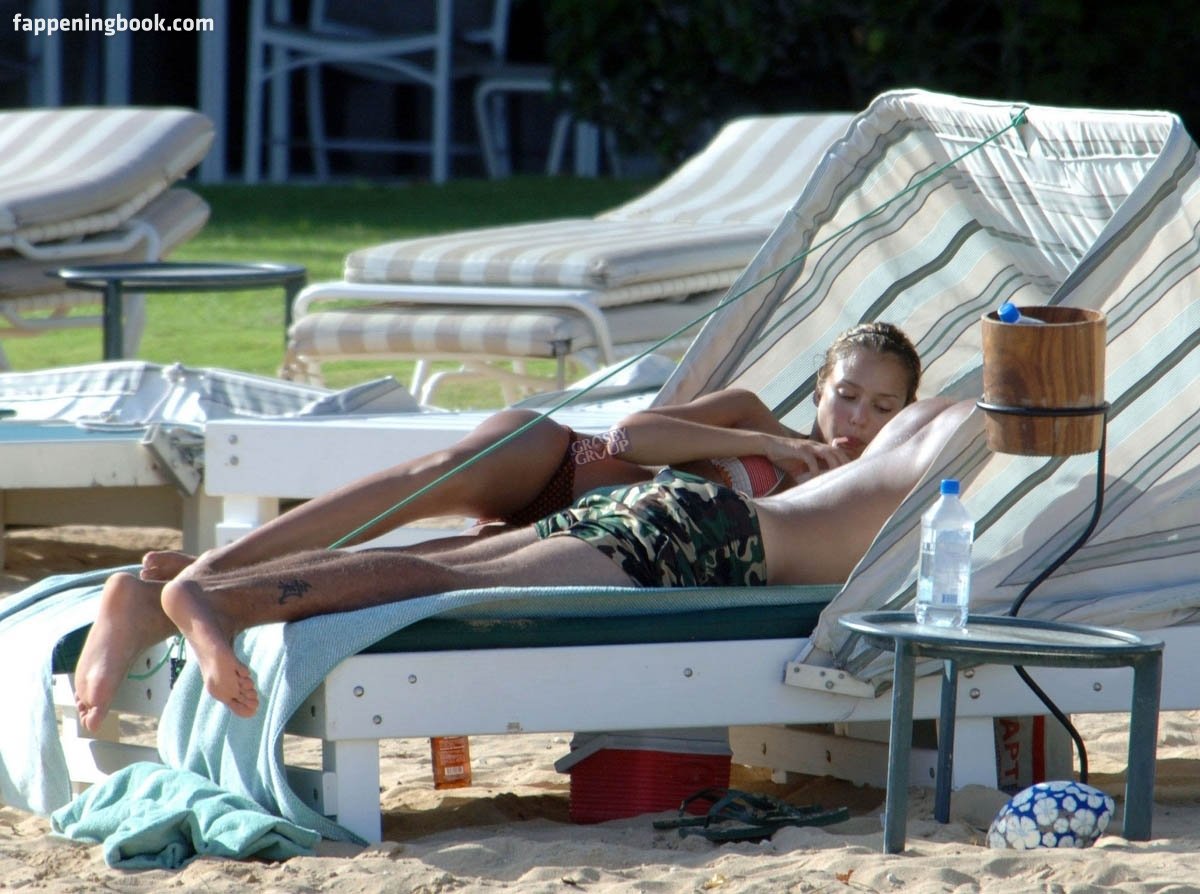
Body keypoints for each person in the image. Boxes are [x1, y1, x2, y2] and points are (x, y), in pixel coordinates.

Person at [73, 322, 930, 730]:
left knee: (430, 559)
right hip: (560, 464)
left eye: (882, 406)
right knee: (407, 490)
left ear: (903, 416)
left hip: (588, 530)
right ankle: (208, 571)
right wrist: (762, 443)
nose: (857, 418)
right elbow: (631, 440)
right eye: (846, 394)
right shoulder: (755, 421)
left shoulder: (858, 490)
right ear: (820, 387)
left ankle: (156, 598)